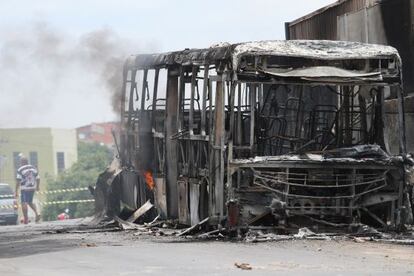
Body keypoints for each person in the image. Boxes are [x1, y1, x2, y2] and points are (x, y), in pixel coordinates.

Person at [15, 156, 41, 224]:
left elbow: (18, 181)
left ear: (22, 162)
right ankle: (37, 213)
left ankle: (26, 219)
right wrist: (37, 186)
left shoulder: (20, 169)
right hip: (32, 187)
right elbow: (38, 178)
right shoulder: (33, 168)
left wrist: (16, 191)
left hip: (24, 188)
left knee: (24, 202)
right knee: (30, 202)